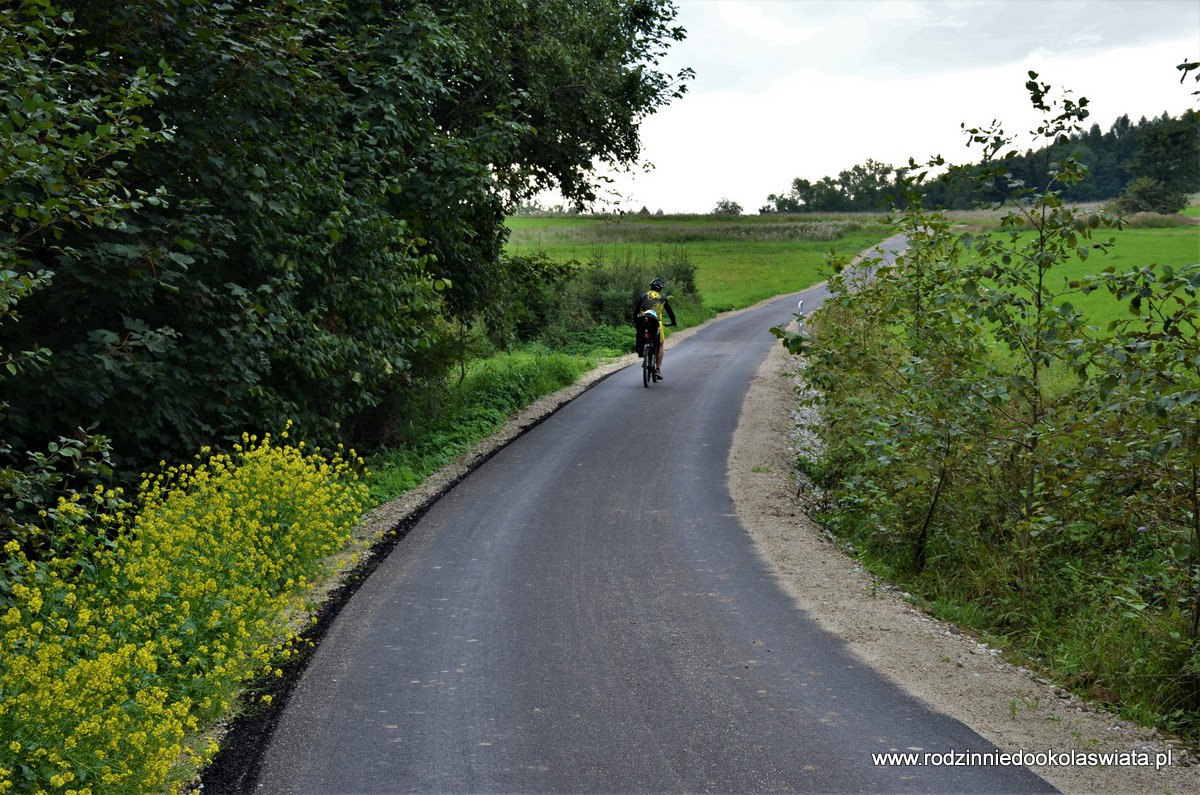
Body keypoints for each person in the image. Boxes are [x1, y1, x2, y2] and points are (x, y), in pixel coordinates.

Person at [635, 277, 677, 379]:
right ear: (661, 289)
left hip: (643, 320)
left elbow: (636, 309)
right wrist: (673, 322)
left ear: (651, 287)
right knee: (661, 344)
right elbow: (670, 312)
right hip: (656, 322)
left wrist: (634, 321)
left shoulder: (643, 295)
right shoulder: (663, 297)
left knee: (639, 335)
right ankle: (657, 369)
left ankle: (640, 350)